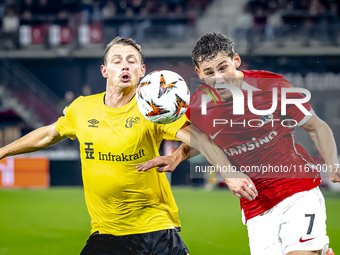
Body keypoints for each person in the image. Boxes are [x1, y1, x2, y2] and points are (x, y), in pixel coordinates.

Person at [0, 36, 257, 255]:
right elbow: (48, 134)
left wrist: (228, 173)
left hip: (157, 229)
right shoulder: (81, 108)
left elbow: (201, 138)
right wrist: (3, 151)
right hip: (107, 233)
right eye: (117, 61)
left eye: (131, 61)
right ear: (105, 70)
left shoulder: (154, 110)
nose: (125, 66)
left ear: (142, 71)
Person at [137, 32, 340, 255]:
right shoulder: (197, 106)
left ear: (236, 60)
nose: (219, 78)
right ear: (199, 74)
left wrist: (332, 165)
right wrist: (176, 156)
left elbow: (316, 126)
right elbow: (201, 141)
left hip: (296, 191)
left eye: (223, 67)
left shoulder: (271, 86)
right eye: (209, 72)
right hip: (255, 206)